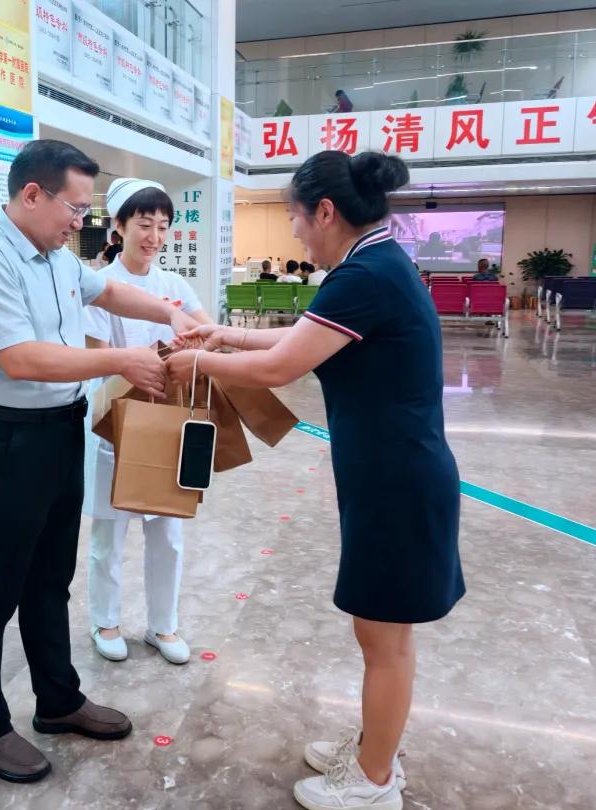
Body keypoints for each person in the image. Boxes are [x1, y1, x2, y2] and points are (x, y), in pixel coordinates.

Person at [166, 150, 464, 810]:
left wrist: (196, 362)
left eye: (297, 218)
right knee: (382, 631)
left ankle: (375, 780)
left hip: (397, 481)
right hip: (393, 472)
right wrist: (220, 334)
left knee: (382, 638)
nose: (296, 233)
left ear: (325, 212)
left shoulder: (365, 274)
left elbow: (280, 368)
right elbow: (293, 343)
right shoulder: (376, 263)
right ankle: (375, 748)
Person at [0, 140, 202, 784]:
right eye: (75, 207)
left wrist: (172, 313)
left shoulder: (59, 259)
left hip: (60, 429)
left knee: (50, 578)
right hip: (6, 440)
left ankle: (57, 700)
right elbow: (21, 359)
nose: (80, 222)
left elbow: (110, 293)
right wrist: (121, 360)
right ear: (33, 194)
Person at [83, 178, 214, 666]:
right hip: (115, 423)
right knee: (110, 532)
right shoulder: (101, 286)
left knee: (169, 533)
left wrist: (198, 344)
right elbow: (99, 358)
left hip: (168, 422)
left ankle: (163, 625)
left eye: (163, 226)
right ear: (118, 226)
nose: (155, 236)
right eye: (144, 224)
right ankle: (105, 620)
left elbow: (207, 333)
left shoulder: (173, 286)